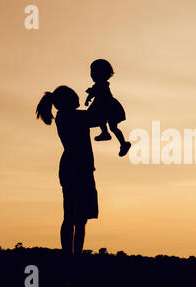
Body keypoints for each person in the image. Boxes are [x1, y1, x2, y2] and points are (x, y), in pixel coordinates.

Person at [36, 85, 100, 255]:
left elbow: (94, 116)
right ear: (67, 101)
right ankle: (70, 257)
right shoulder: (70, 116)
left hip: (79, 167)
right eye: (74, 96)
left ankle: (74, 256)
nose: (78, 98)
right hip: (75, 168)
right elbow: (97, 116)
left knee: (79, 218)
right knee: (72, 217)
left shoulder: (69, 116)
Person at [85, 59, 131, 157]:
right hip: (106, 106)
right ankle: (113, 138)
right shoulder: (99, 85)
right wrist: (88, 99)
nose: (91, 75)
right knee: (111, 126)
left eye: (93, 72)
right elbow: (93, 93)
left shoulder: (102, 85)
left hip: (107, 106)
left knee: (108, 123)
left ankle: (120, 142)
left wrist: (88, 98)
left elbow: (95, 92)